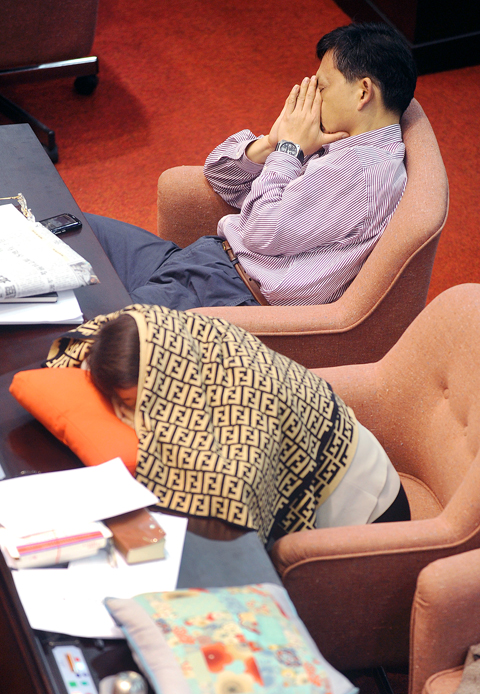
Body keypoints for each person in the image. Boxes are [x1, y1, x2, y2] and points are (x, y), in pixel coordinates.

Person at [86, 21, 417, 310]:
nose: (313, 97)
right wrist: (272, 142)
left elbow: (261, 232)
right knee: (73, 229)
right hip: (203, 263)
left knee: (90, 331)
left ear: (363, 92)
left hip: (223, 292)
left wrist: (289, 151)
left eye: (322, 86)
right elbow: (219, 177)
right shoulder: (336, 142)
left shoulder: (362, 173)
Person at [45, 304, 411, 545]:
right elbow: (87, 345)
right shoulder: (160, 335)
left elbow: (234, 511)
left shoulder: (247, 405)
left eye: (138, 404)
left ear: (170, 386)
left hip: (364, 510)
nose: (134, 414)